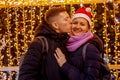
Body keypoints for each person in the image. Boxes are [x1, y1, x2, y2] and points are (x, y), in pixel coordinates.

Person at [54, 6, 110, 80]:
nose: (77, 26)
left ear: (88, 28)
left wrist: (65, 66)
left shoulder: (90, 48)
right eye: (75, 23)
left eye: (82, 24)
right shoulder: (67, 43)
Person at [18, 7, 72, 80]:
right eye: (66, 19)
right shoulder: (39, 44)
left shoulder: (67, 42)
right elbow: (26, 75)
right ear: (55, 25)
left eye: (69, 17)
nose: (71, 21)